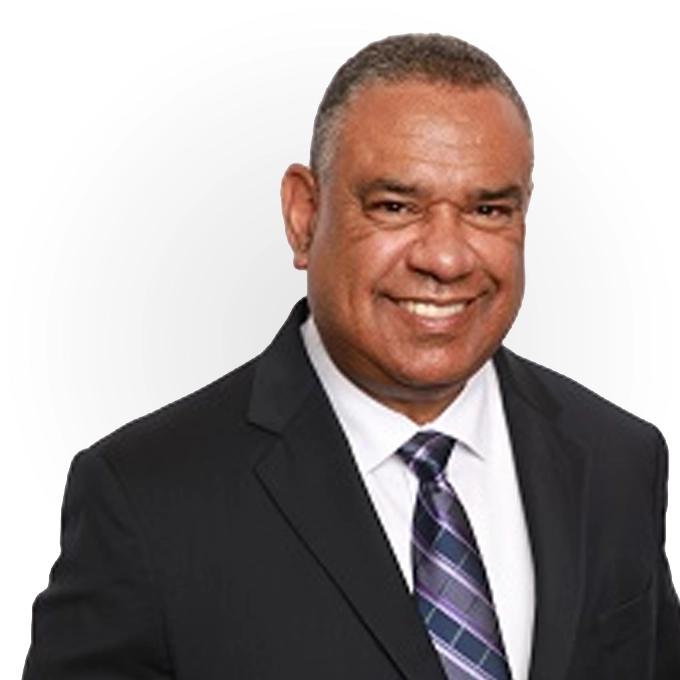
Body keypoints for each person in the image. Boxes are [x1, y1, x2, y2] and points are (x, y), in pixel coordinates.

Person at [23, 33, 680, 680]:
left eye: (487, 209)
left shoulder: (620, 460)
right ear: (304, 216)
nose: (446, 258)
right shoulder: (145, 498)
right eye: (395, 206)